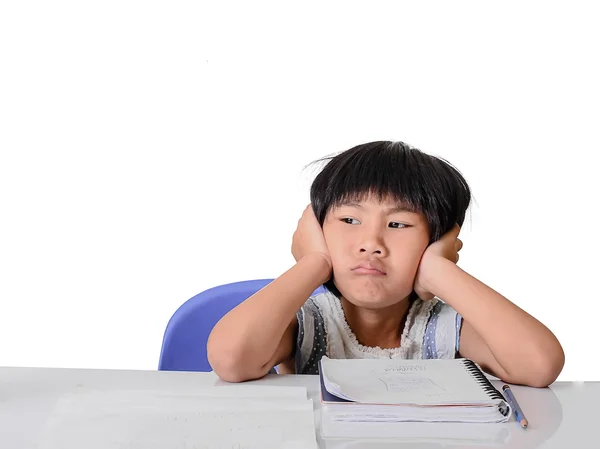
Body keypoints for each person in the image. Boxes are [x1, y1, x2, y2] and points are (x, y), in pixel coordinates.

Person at [207, 141, 565, 387]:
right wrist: (313, 263)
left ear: (435, 242)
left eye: (398, 225)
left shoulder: (441, 327)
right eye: (349, 220)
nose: (371, 244)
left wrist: (441, 272)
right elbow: (231, 360)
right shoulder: (310, 322)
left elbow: (538, 366)